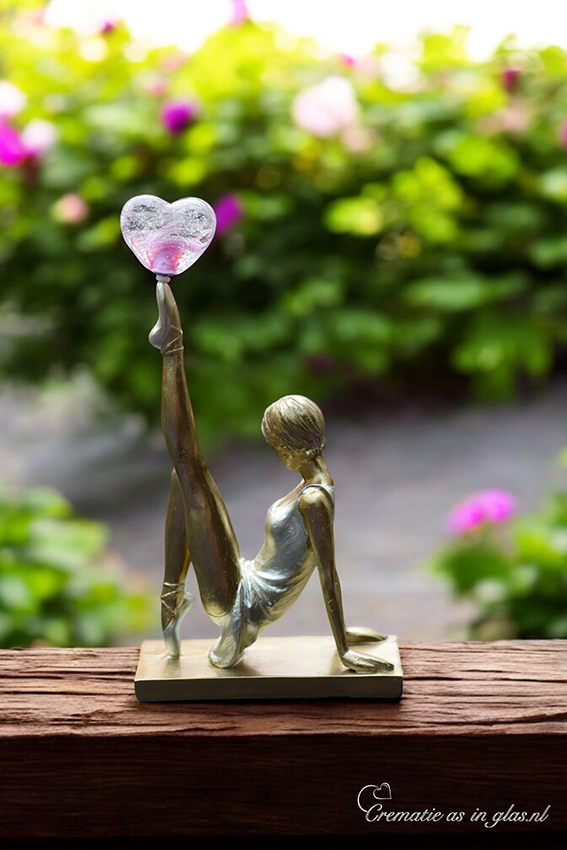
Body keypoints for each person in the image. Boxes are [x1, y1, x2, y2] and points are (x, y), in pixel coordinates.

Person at [150, 280, 393, 674]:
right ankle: (170, 596)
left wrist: (344, 648)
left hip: (240, 603)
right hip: (241, 576)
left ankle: (171, 349)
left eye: (277, 444)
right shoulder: (315, 484)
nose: (276, 453)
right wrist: (345, 633)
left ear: (294, 445)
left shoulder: (314, 500)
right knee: (185, 478)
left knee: (187, 462)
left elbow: (328, 573)